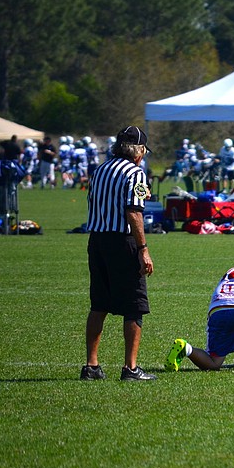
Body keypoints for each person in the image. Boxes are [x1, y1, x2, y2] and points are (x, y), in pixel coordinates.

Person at [81, 125, 156, 382]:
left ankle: (91, 365)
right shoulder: (135, 173)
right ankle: (131, 368)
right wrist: (143, 249)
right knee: (134, 306)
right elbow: (134, 211)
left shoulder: (100, 170)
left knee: (99, 304)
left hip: (97, 240)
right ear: (138, 151)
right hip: (123, 241)